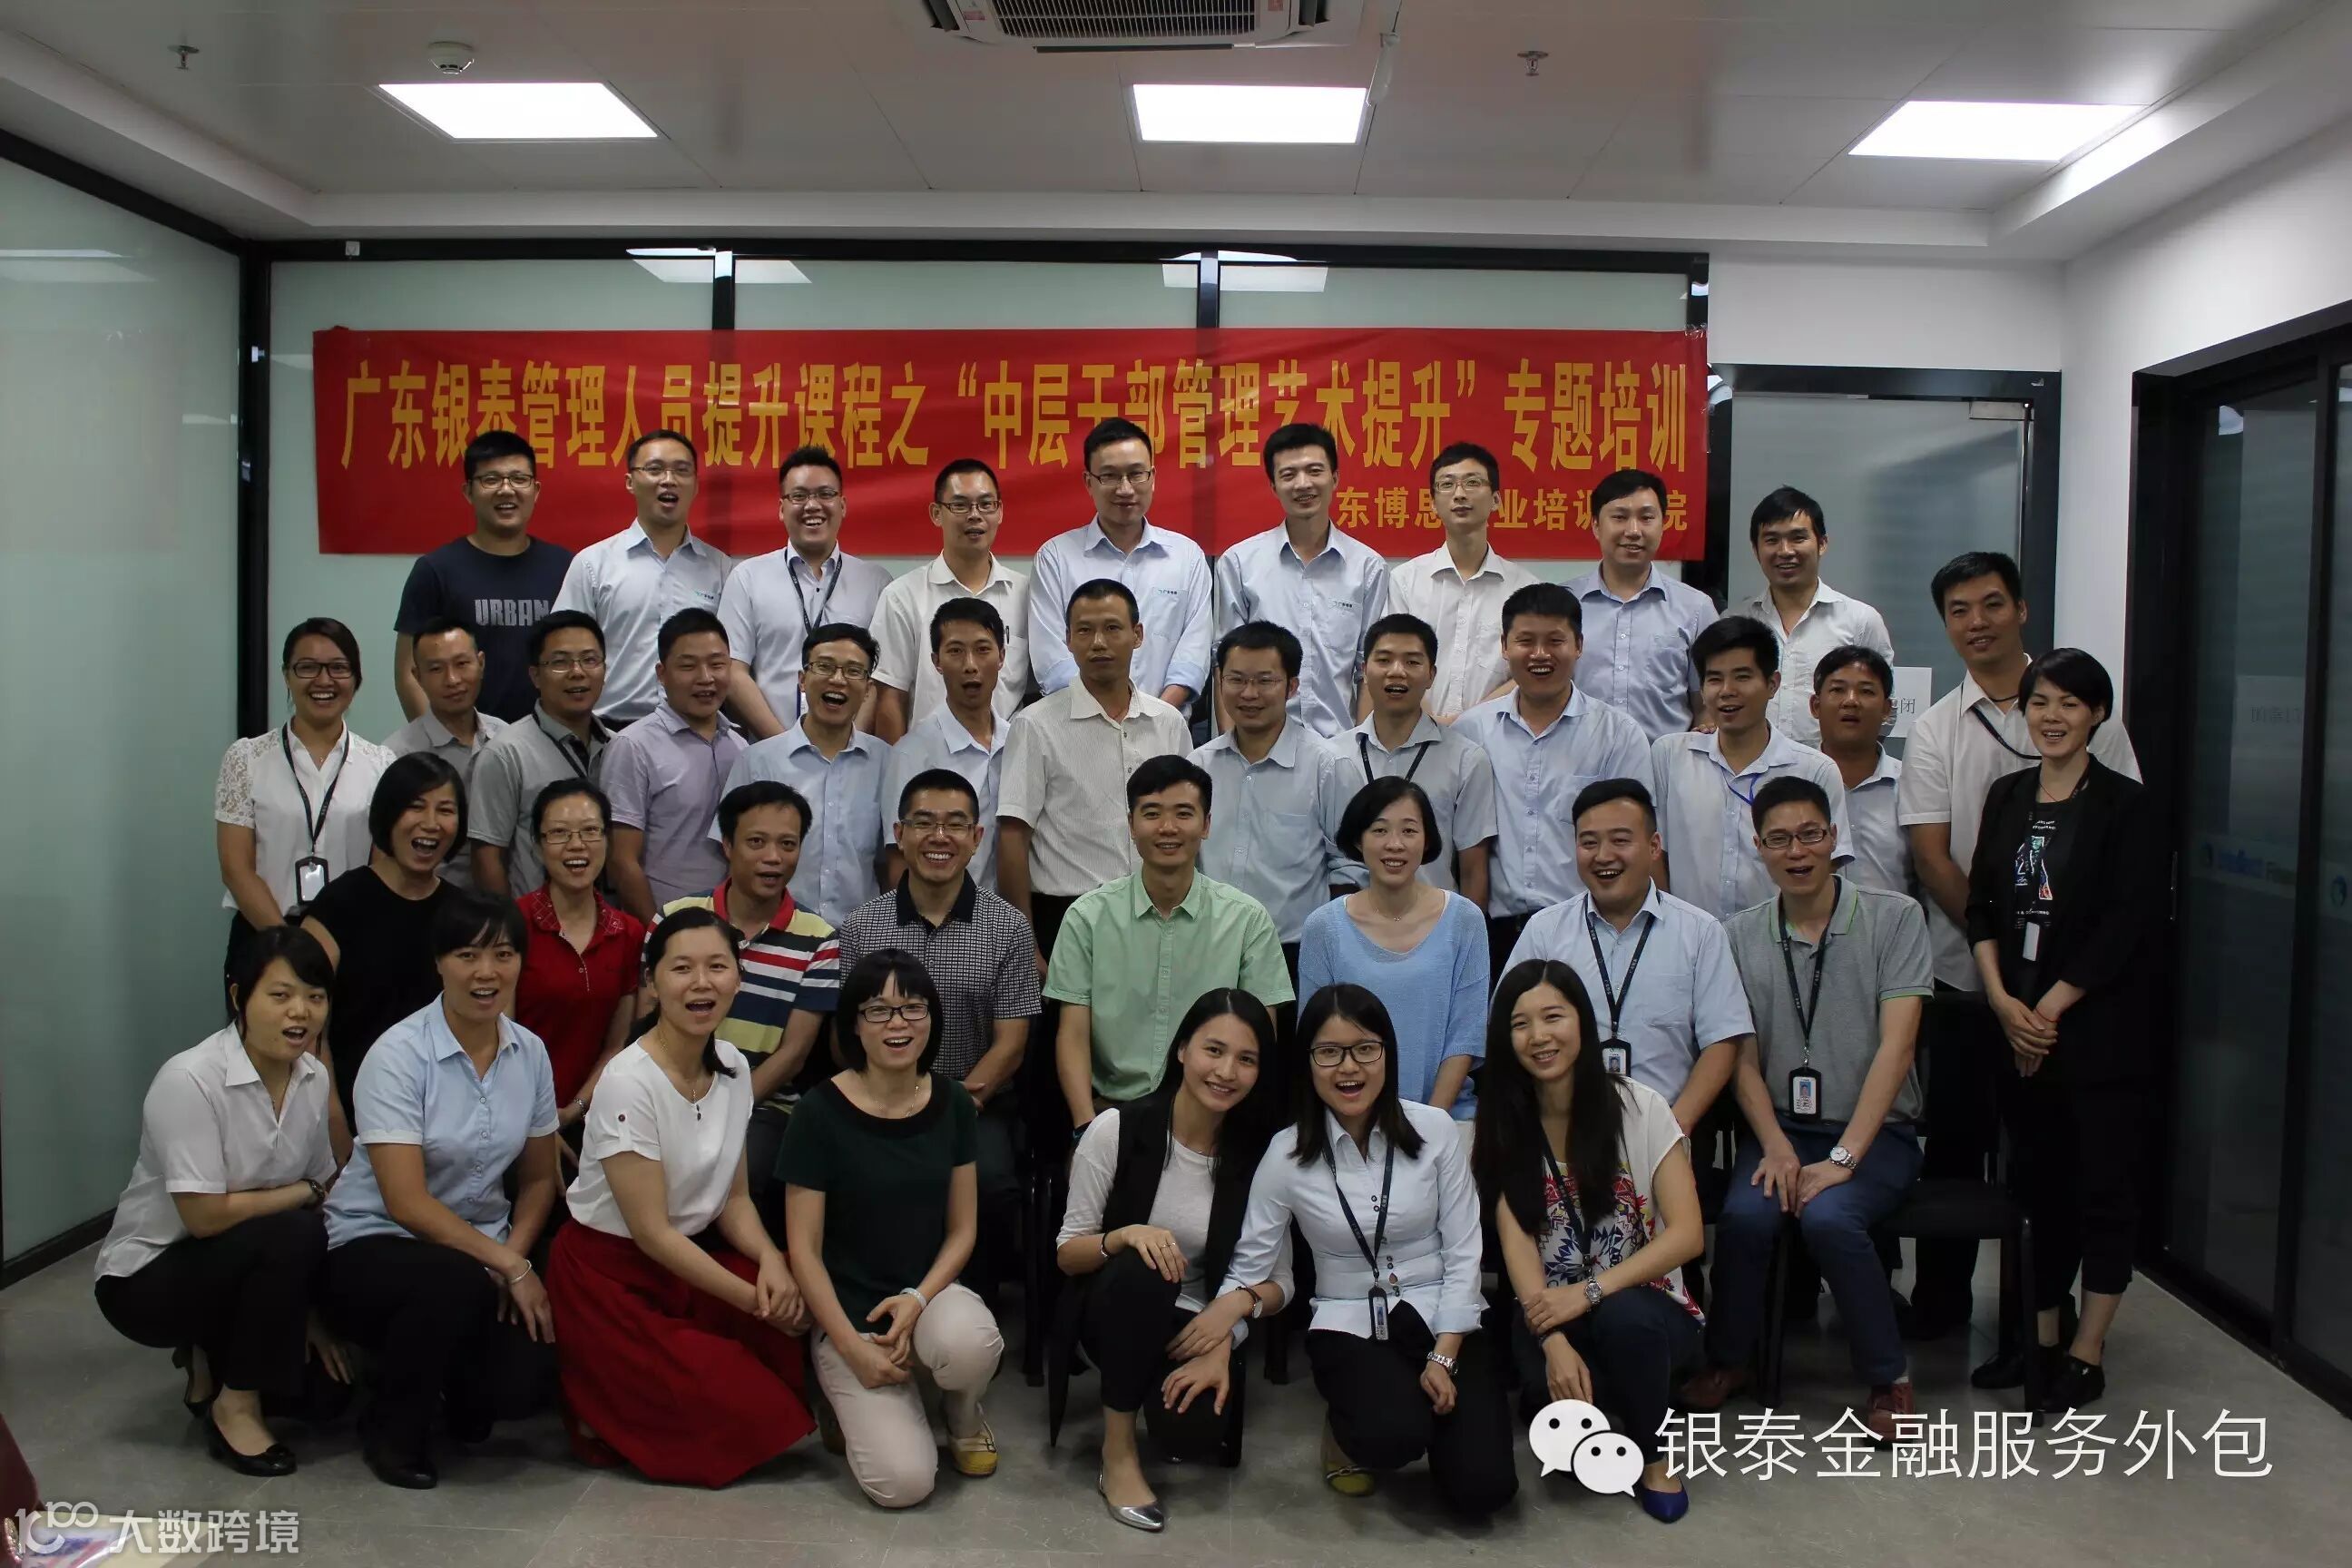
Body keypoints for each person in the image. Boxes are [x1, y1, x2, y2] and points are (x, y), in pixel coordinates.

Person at [1897, 552, 2140, 1338]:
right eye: (1959, 610)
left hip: (2076, 995)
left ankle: (2037, 1326)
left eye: (1992, 604)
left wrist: (2046, 984)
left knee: (2059, 1163)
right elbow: (1935, 858)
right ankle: (1943, 1306)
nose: (1977, 622)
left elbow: (2124, 856)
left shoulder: (2092, 716)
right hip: (1972, 983)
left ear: (2022, 610)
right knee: (1959, 1146)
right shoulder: (1937, 729)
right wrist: (2004, 966)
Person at [1681, 778, 1932, 1444]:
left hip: (1878, 1135)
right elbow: (1740, 1056)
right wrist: (1776, 1146)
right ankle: (1729, 1360)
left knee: (1829, 1216)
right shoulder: (1737, 935)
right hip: (1782, 1130)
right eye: (1781, 840)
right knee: (1745, 1215)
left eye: (1811, 835)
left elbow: (1898, 1048)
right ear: (1759, 848)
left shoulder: (1895, 918)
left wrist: (1845, 1157)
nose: (1798, 852)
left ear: (1834, 838)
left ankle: (1888, 1377)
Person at [546, 907, 818, 1485]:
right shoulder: (628, 1080)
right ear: (652, 982)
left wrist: (770, 1263)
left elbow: (735, 1199)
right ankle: (596, 1394)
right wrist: (755, 1301)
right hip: (610, 1275)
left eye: (718, 966)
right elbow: (652, 1234)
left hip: (686, 1261)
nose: (702, 983)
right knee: (745, 1405)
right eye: (682, 968)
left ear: (738, 978)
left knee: (792, 1296)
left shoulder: (735, 1067)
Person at [1220, 985, 1512, 1517]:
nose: (1348, 1067)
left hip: (1442, 1313)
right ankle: (1347, 1430)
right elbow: (1250, 1266)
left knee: (1483, 1491)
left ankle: (1431, 1421)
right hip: (1348, 1319)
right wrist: (1219, 1341)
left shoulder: (1435, 1130)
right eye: (1329, 1052)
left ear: (1387, 1054)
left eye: (1365, 1049)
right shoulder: (1286, 1153)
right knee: (1391, 1437)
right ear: (1307, 1063)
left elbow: (1465, 1248)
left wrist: (1445, 1353)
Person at [1964, 649, 2159, 1411]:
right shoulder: (2008, 795)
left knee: (2103, 1189)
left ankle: (2087, 1348)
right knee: (2037, 1188)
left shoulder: (2126, 805)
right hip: (2017, 1024)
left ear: (2097, 714)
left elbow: (2127, 924)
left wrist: (2048, 1009)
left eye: (2070, 704)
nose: (2052, 717)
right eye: (2040, 702)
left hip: (2096, 1031)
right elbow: (1982, 906)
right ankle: (2041, 1337)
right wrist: (2002, 1000)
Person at [318, 893, 563, 1489]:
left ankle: (443, 1378)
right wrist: (505, 1263)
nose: (487, 972)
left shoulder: (529, 1053)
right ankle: (392, 1431)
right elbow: (406, 1203)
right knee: (449, 1282)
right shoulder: (398, 1055)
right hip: (374, 1242)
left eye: (503, 954)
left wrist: (513, 1258)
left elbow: (538, 1179)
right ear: (438, 963)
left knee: (517, 1388)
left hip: (481, 1252)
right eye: (467, 955)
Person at [93, 926, 342, 1478]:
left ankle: (211, 1351)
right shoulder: (189, 1080)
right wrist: (302, 1192)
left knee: (326, 1401)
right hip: (148, 1278)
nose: (300, 1012)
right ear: (239, 997)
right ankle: (236, 1406)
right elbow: (205, 1218)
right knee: (293, 1231)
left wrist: (309, 1313)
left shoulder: (312, 1076)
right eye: (280, 995)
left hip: (243, 1261)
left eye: (315, 997)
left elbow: (323, 1192)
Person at [1475, 960, 1707, 1523]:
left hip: (1648, 1307)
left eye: (1553, 1017)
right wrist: (1553, 1340)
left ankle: (1653, 1457)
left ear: (1582, 1021)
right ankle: (1615, 1396)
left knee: (1627, 1321)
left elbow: (1688, 1235)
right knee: (1549, 1391)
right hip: (1552, 1312)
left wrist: (1591, 1292)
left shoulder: (1640, 1107)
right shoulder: (1504, 1123)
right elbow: (1518, 1246)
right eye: (1521, 1024)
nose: (1539, 1036)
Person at [1055, 990, 1293, 1533]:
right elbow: (1068, 1253)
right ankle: (1117, 1452)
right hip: (1113, 1305)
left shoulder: (1261, 1156)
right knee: (1147, 1265)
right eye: (1214, 1050)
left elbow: (1281, 1283)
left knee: (1192, 1436)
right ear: (1182, 1049)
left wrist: (1225, 1329)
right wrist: (1123, 1237)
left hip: (1196, 1321)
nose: (1226, 1072)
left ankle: (1149, 1386)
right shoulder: (1116, 1129)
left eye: (1247, 1059)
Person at [780, 952, 1006, 1508]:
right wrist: (852, 1349)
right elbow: (804, 1252)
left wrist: (917, 1298)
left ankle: (960, 1411)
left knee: (970, 1344)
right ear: (854, 1026)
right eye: (878, 1010)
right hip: (848, 1315)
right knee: (902, 1484)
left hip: (927, 1298)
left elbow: (963, 1230)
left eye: (912, 1008)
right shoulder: (817, 1113)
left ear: (932, 1019)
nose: (897, 1023)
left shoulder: (953, 1103)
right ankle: (849, 1390)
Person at [836, 769, 1041, 1298]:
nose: (939, 837)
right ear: (899, 835)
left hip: (975, 1103)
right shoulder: (862, 927)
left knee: (991, 1183)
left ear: (977, 838)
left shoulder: (1008, 928)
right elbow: (848, 1036)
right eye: (923, 823)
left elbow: (1012, 1043)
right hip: (878, 1099)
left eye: (956, 824)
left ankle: (975, 1300)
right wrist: (890, 1102)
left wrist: (949, 1106)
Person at [1048, 755, 1293, 1127]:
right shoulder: (1087, 918)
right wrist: (1086, 1129)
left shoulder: (1247, 920)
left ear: (1206, 824)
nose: (1167, 828)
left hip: (1215, 1117)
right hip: (1111, 1115)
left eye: (1183, 813)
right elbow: (1073, 1034)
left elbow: (1260, 1036)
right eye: (1151, 814)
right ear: (1131, 824)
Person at [1501, 779, 1752, 1131]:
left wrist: (1671, 1134)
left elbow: (1722, 1041)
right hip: (1565, 1130)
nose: (1603, 856)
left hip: (1671, 1124)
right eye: (1589, 843)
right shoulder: (1544, 930)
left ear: (1654, 846)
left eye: (1620, 840)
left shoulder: (1700, 932)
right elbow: (1506, 1025)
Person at [658, 781, 842, 1231]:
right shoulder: (675, 919)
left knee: (740, 1168)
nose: (773, 858)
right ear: (727, 845)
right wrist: (683, 1106)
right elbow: (650, 1022)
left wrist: (719, 1110)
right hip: (667, 1094)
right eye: (756, 842)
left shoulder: (819, 939)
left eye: (787, 844)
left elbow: (794, 1054)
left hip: (762, 1106)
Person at [997, 578, 1192, 973]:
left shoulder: (1168, 722)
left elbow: (1190, 824)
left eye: (1112, 628)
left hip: (1160, 911)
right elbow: (1013, 836)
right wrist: (1026, 941)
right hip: (1065, 915)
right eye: (1084, 630)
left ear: (1137, 635)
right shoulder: (1035, 725)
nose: (1098, 642)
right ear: (1068, 640)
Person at [1455, 583, 1653, 970]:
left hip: (1590, 930)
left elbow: (1635, 843)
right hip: (1497, 934)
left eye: (1555, 641)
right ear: (1504, 646)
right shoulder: (1471, 732)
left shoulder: (1617, 734)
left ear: (1578, 645)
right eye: (1526, 641)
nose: (1540, 654)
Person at [215, 618, 396, 993]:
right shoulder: (247, 758)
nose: (324, 680)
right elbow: (236, 869)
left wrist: (333, 945)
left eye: (338, 668)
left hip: (351, 944)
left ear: (356, 679)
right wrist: (291, 947)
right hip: (263, 940)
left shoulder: (380, 764)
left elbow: (382, 870)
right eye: (308, 667)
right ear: (286, 675)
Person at [1298, 778, 1489, 1122]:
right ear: (1359, 840)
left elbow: (1466, 1037)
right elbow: (1317, 1040)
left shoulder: (1465, 920)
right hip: (1352, 1121)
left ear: (1427, 840)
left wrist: (1430, 1124)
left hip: (1447, 1120)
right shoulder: (1323, 927)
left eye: (1409, 831)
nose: (1395, 844)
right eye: (1380, 830)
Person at [1651, 614, 1848, 920]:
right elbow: (1654, 855)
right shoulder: (1670, 755)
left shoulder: (1815, 770)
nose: (1727, 690)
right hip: (1688, 939)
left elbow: (1825, 869)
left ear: (1772, 684)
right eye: (1714, 679)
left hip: (1778, 941)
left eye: (1742, 677)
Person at [301, 753, 465, 1120]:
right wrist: (333, 1117)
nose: (431, 823)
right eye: (416, 807)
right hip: (350, 1108)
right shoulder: (339, 905)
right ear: (388, 813)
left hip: (444, 1111)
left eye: (445, 810)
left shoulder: (461, 913)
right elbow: (309, 1027)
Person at [1190, 621, 1353, 966]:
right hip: (1207, 948)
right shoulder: (1199, 765)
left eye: (1265, 681)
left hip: (1294, 951)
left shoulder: (1327, 766)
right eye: (1236, 680)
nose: (1249, 694)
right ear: (1220, 681)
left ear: (1292, 686)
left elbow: (1349, 867)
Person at [1213, 422, 1389, 739]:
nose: (1303, 484)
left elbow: (1369, 668)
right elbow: (1225, 663)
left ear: (1335, 478)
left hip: (1338, 745)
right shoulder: (1239, 563)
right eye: (1289, 474)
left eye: (1314, 471)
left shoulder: (1368, 567)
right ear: (1273, 486)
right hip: (1258, 745)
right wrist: (1232, 747)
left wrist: (1362, 748)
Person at [1027, 417, 1212, 710]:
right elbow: (1052, 659)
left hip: (1166, 725)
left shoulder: (1187, 557)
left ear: (1153, 477)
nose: (1125, 489)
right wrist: (1105, 717)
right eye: (1110, 476)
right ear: (1089, 482)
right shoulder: (1055, 558)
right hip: (1078, 725)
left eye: (1136, 474)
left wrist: (1153, 717)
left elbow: (1194, 654)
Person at [554, 429, 731, 727]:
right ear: (630, 482)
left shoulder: (720, 568)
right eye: (655, 469)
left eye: (681, 470)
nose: (669, 480)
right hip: (611, 728)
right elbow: (562, 650)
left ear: (696, 485)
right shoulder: (593, 564)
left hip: (697, 729)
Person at [394, 428, 573, 724]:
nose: (506, 490)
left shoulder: (566, 567)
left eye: (519, 479)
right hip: (465, 741)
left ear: (536, 490)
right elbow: (409, 672)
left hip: (550, 739)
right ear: (468, 492)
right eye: (491, 479)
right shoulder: (436, 570)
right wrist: (445, 743)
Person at [720, 623, 894, 926]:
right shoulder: (756, 761)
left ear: (868, 689)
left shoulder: (887, 763)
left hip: (859, 937)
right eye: (824, 666)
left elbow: (891, 860)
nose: (838, 679)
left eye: (853, 671)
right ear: (802, 679)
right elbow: (730, 857)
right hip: (775, 936)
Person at [720, 445, 893, 740]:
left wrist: (851, 745)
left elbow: (880, 677)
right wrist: (781, 747)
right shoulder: (747, 578)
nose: (812, 505)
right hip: (769, 751)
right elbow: (734, 671)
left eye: (825, 494)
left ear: (842, 505)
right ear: (781, 508)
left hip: (853, 754)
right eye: (799, 496)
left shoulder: (876, 582)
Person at [1334, 612, 1497, 906]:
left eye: (1412, 662)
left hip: (1435, 924)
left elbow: (1473, 869)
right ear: (1364, 670)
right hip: (1350, 923)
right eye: (1384, 660)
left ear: (1431, 675)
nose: (1397, 672)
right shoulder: (1332, 756)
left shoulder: (1467, 760)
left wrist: (1469, 930)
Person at [602, 608, 749, 919]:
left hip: (730, 927)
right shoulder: (633, 746)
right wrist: (656, 933)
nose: (706, 678)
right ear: (661, 673)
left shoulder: (740, 748)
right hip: (663, 924)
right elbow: (621, 860)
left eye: (717, 664)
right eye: (688, 666)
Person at [514, 780, 646, 1125]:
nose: (577, 845)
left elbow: (617, 1044)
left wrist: (573, 1111)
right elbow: (499, 1039)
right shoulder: (511, 924)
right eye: (559, 833)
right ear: (538, 845)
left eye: (590, 831)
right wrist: (541, 1121)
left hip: (596, 1112)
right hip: (515, 1112)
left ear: (607, 840)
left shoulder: (629, 933)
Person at [871, 457, 1031, 740]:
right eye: (960, 505)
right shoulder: (902, 597)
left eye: (986, 504)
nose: (975, 515)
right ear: (936, 513)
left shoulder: (1026, 595)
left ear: (1000, 512)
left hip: (1008, 758)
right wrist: (900, 764)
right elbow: (890, 698)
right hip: (929, 760)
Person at [1387, 440, 1539, 722]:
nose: (1459, 494)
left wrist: (1468, 723)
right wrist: (1431, 723)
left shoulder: (1525, 589)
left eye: (1472, 482)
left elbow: (1527, 670)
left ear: (1496, 500)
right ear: (1433, 503)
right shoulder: (1405, 581)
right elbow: (1394, 662)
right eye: (1447, 485)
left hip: (1497, 733)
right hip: (1416, 732)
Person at [1736, 487, 1896, 745]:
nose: (1785, 551)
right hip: (1750, 768)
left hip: (1834, 769)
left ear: (1822, 543)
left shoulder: (1861, 621)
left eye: (1798, 538)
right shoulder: (1736, 622)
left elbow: (1884, 712)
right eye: (1772, 540)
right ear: (1756, 549)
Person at [468, 611, 612, 898]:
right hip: (533, 920)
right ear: (535, 675)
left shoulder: (620, 747)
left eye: (589, 660)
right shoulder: (505, 753)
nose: (577, 672)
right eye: (560, 662)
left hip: (610, 918)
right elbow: (487, 857)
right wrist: (511, 922)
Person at [1569, 468, 1719, 740]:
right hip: (1578, 760)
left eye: (1646, 518)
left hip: (1664, 763)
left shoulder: (1696, 608)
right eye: (1619, 517)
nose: (1633, 531)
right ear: (1596, 526)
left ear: (1663, 524)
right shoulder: (1564, 603)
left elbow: (1705, 705)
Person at [881, 598, 1011, 891]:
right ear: (936, 661)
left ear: (1002, 656)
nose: (970, 665)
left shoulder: (1019, 741)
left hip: (1008, 912)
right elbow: (899, 859)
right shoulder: (911, 753)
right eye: (955, 651)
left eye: (983, 650)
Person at [386, 618, 509, 890]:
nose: (452, 679)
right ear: (417, 676)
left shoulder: (507, 738)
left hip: (504, 901)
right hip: (429, 904)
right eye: (436, 669)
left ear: (481, 663)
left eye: (462, 664)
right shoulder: (396, 756)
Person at [1811, 644, 1912, 899]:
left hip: (1894, 924)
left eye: (1866, 691)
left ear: (1887, 709)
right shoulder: (1793, 782)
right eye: (1837, 690)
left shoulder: (1911, 784)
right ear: (1815, 705)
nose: (1851, 701)